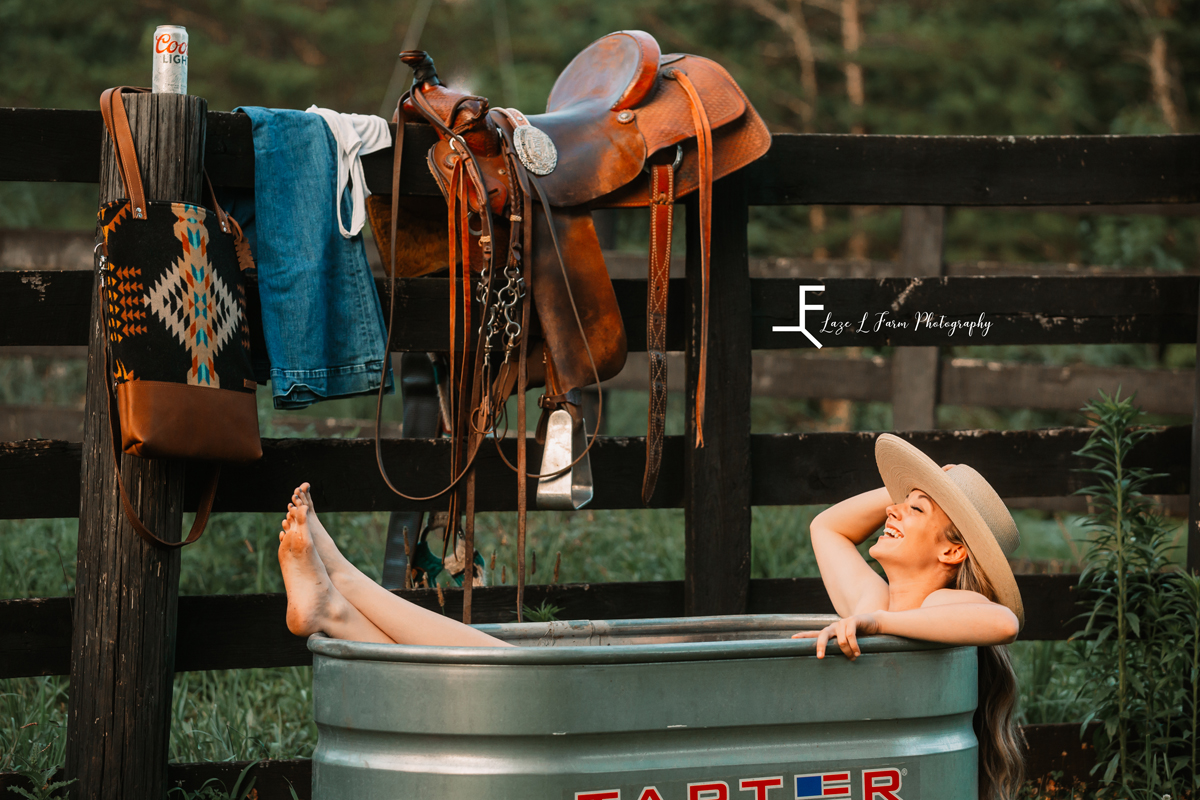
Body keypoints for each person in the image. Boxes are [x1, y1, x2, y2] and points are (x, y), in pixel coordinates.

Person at [277, 432, 1025, 798]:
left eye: (916, 512)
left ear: (955, 550)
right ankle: (338, 603)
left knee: (514, 673)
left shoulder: (929, 606)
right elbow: (828, 527)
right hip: (890, 611)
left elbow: (999, 625)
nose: (893, 515)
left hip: (918, 602)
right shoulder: (867, 601)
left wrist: (881, 625)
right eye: (899, 505)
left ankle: (340, 592)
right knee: (506, 665)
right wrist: (906, 489)